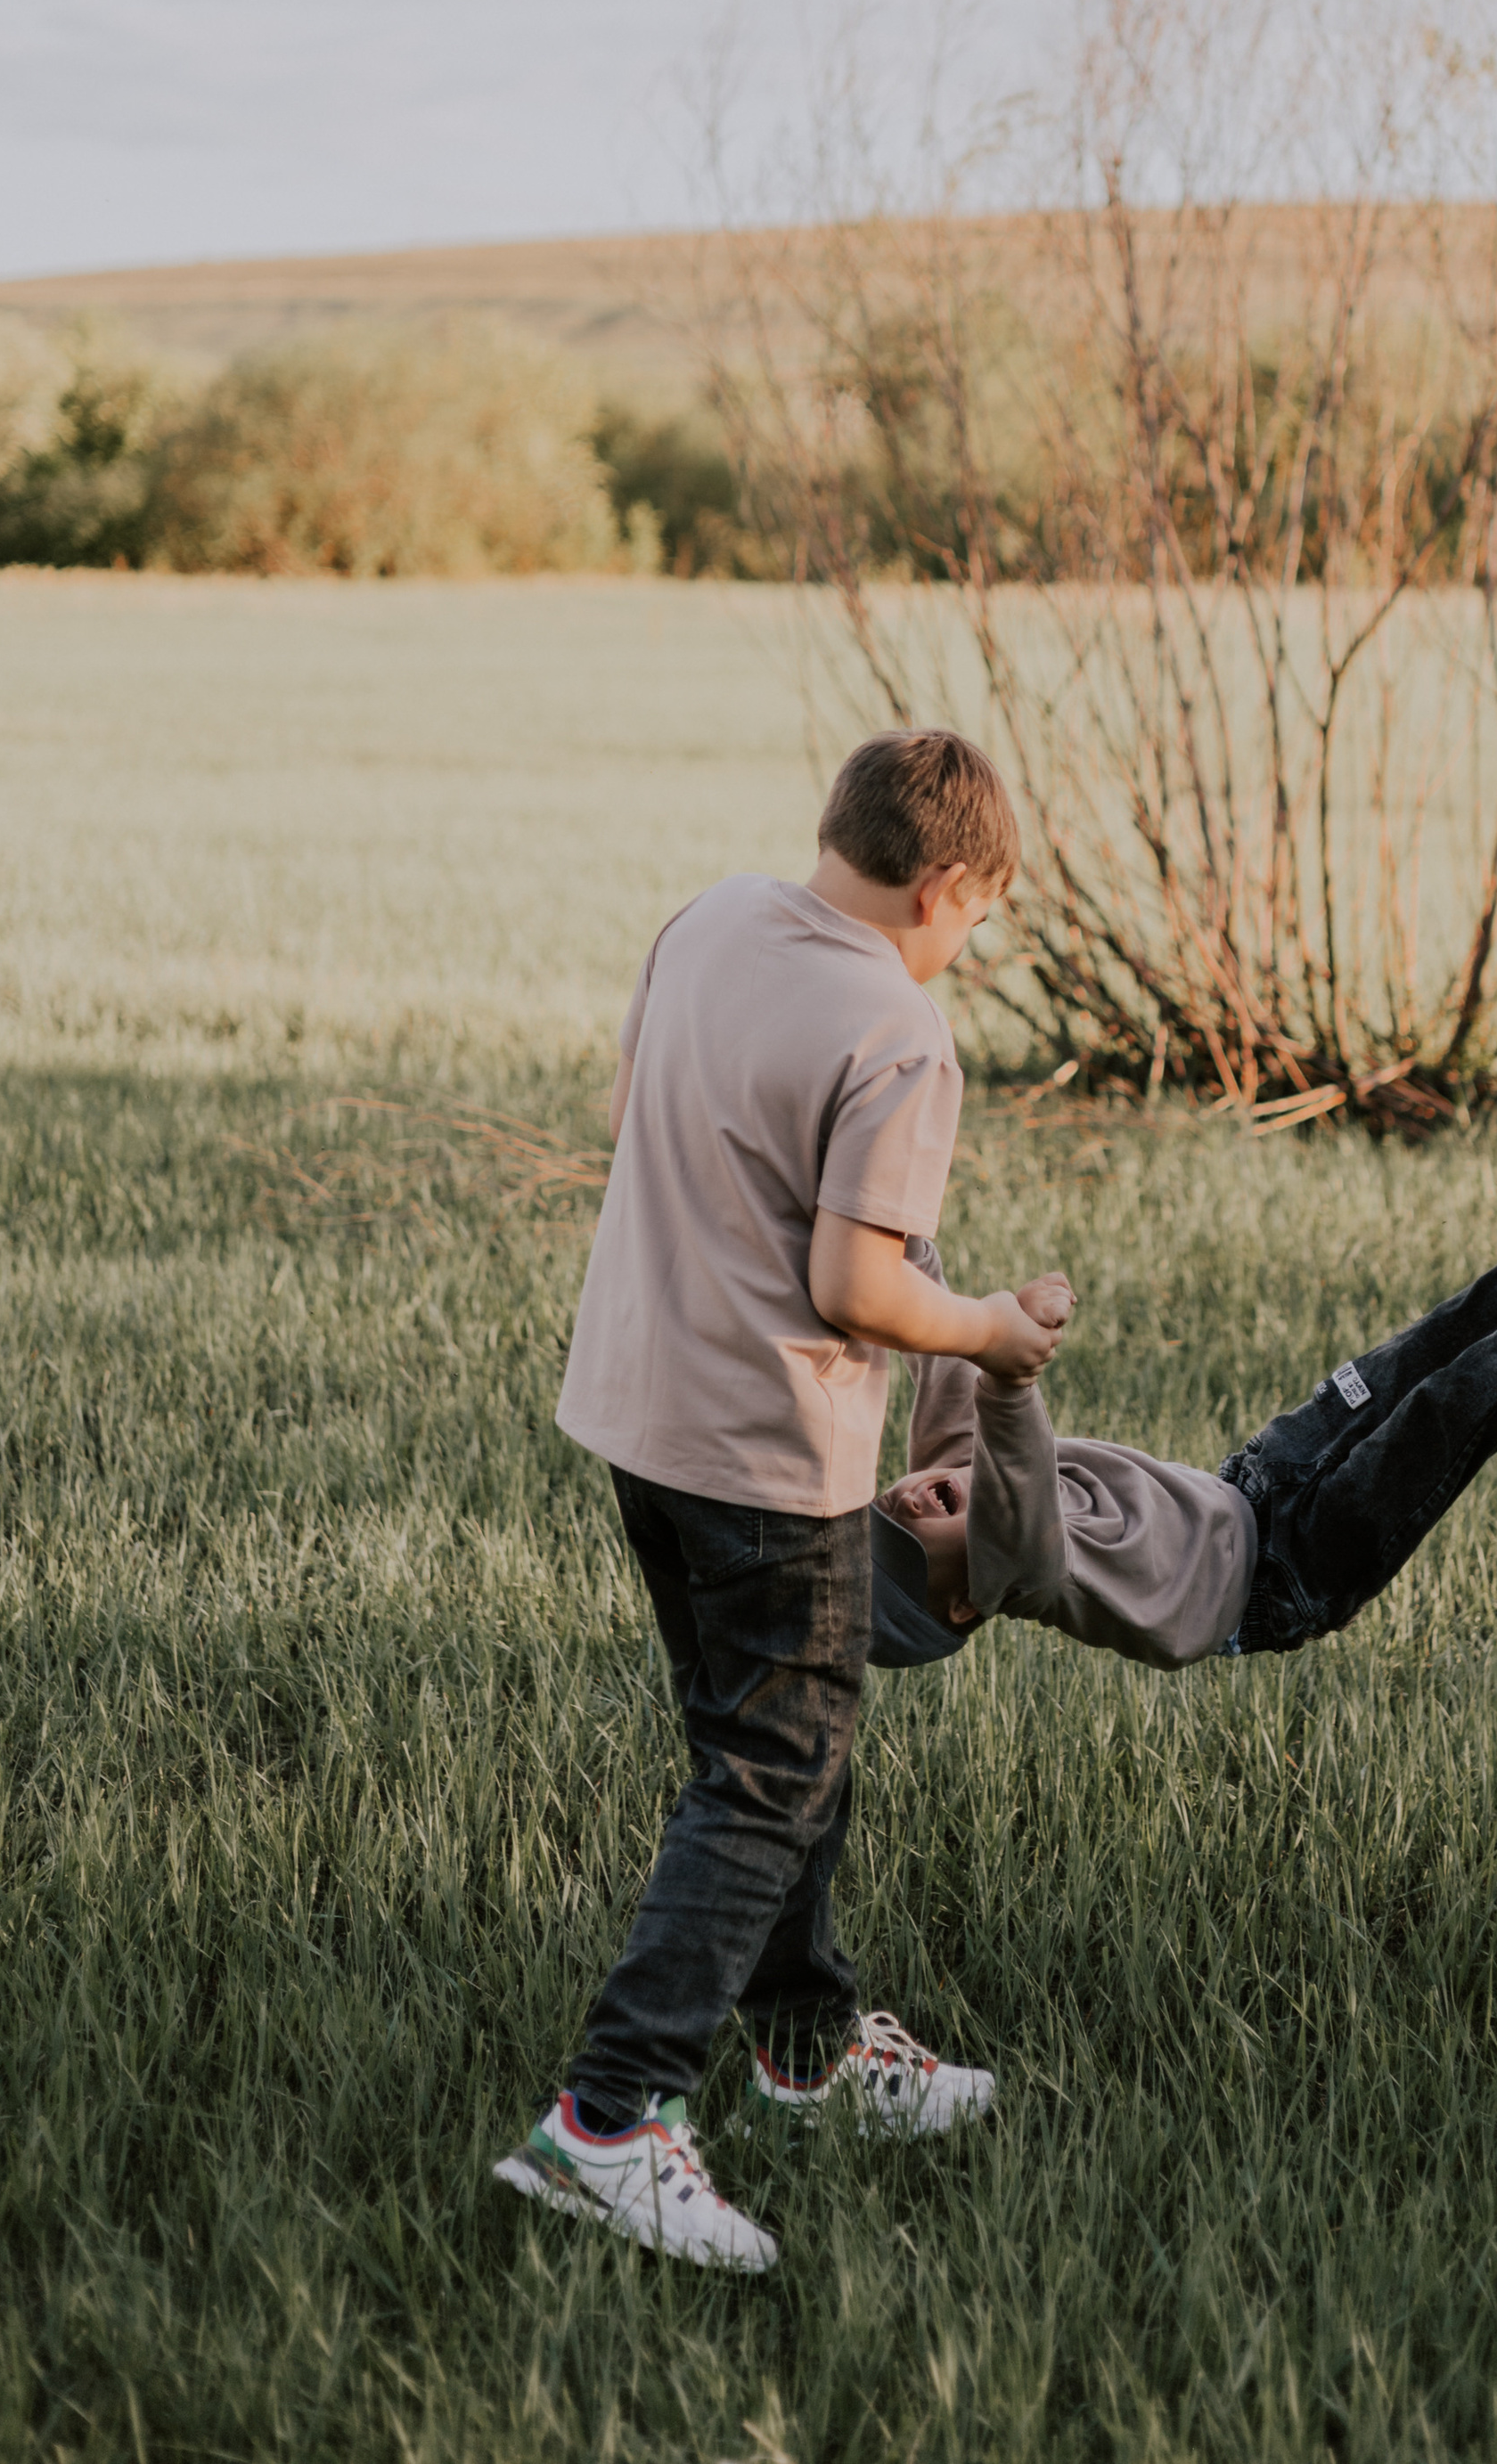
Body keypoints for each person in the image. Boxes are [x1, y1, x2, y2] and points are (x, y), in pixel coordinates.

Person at [493, 731, 1073, 2272]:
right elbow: (856, 1282)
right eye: (979, 917)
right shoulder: (897, 1031)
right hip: (766, 1458)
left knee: (764, 1747)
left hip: (637, 1418)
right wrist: (995, 1332)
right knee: (770, 1774)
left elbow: (639, 1126)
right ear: (943, 884)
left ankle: (807, 2056)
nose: (970, 947)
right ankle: (608, 2123)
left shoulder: (708, 923)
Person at [871, 1223, 1497, 1673]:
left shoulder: (944, 1465)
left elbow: (937, 1344)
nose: (905, 1503)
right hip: (1290, 1572)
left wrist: (888, 1232)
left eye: (881, 1508)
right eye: (908, 1539)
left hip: (1258, 1481)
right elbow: (1015, 1465)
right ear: (967, 1603)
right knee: (1448, 1412)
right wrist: (1012, 1367)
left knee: (1426, 1348)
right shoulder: (1016, 1573)